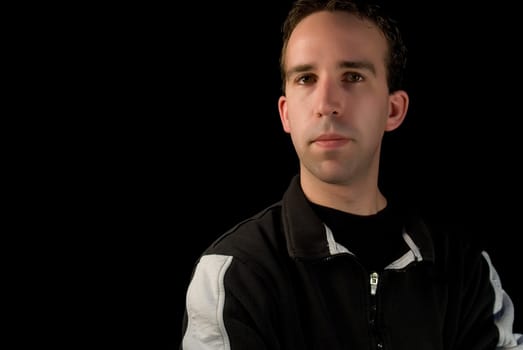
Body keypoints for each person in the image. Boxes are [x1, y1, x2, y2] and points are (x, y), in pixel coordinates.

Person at [179, 0, 522, 349]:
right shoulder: (235, 273)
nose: (327, 102)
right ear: (286, 114)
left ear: (393, 109)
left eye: (353, 77)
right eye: (306, 78)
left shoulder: (466, 271)